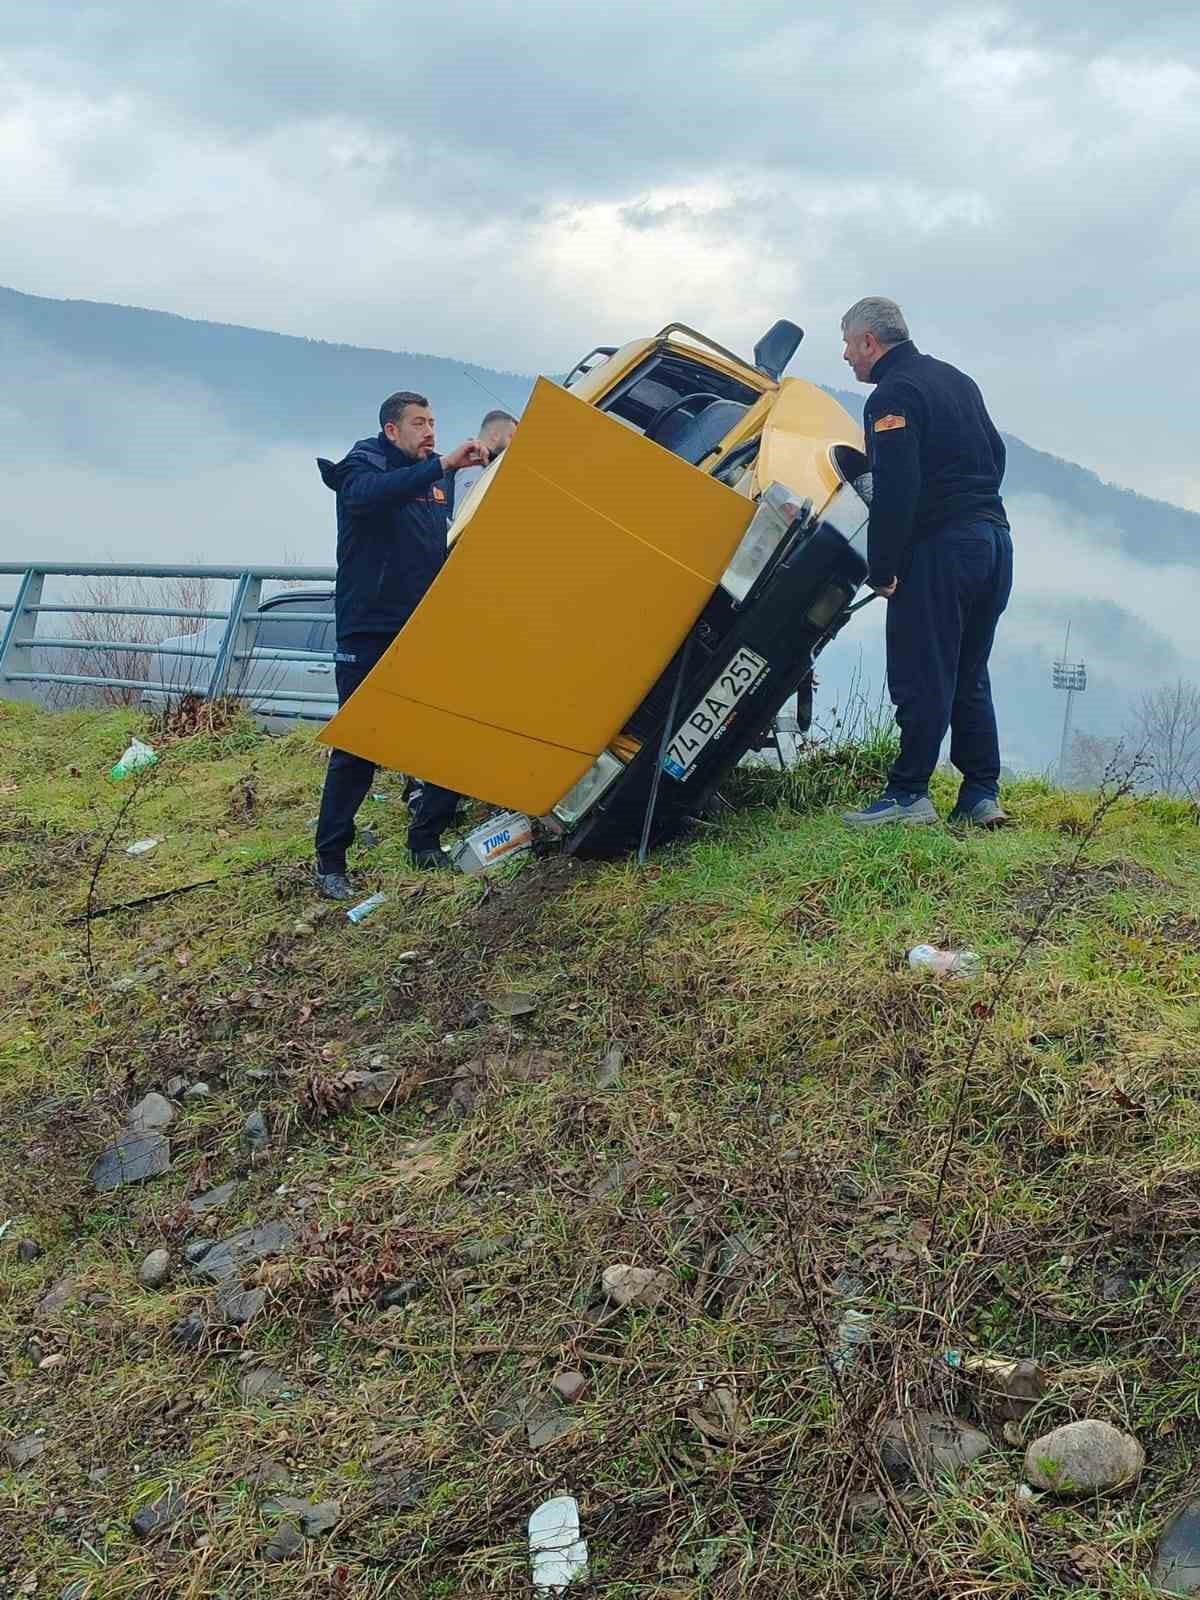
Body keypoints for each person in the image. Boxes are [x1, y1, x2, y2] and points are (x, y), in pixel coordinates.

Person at [838, 298, 1013, 830]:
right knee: (968, 671)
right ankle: (981, 793)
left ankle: (908, 794)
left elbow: (897, 490)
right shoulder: (956, 380)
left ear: (870, 342)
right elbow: (996, 452)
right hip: (995, 544)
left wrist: (883, 567)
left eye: (847, 343)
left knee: (922, 671)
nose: (845, 356)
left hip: (943, 550)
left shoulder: (894, 394)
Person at [312, 391, 489, 897]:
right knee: (360, 745)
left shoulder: (434, 478)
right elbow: (369, 496)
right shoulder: (362, 466)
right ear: (392, 430)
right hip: (368, 629)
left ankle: (426, 840)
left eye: (433, 421)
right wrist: (441, 466)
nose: (429, 431)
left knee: (451, 732)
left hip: (424, 628)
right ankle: (330, 861)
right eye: (418, 423)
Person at [446, 409, 518, 519]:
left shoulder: (481, 464)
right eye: (511, 437)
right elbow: (464, 518)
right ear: (495, 436)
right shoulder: (474, 465)